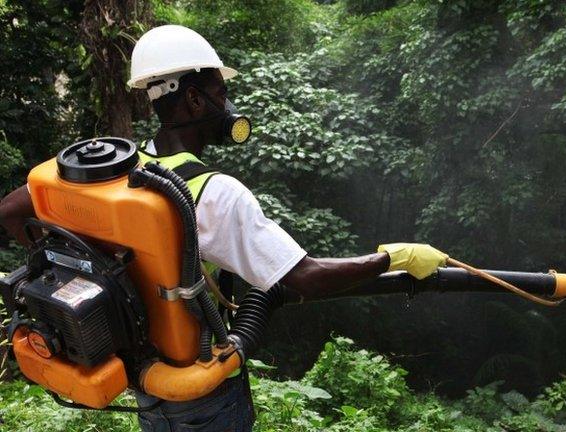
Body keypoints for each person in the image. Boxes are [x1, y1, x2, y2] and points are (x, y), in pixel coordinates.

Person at [0, 24, 447, 431]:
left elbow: (10, 211)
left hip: (146, 380)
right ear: (194, 99)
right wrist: (394, 257)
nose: (227, 105)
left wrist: (57, 266)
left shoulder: (112, 176)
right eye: (219, 91)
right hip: (203, 393)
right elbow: (305, 276)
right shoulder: (212, 192)